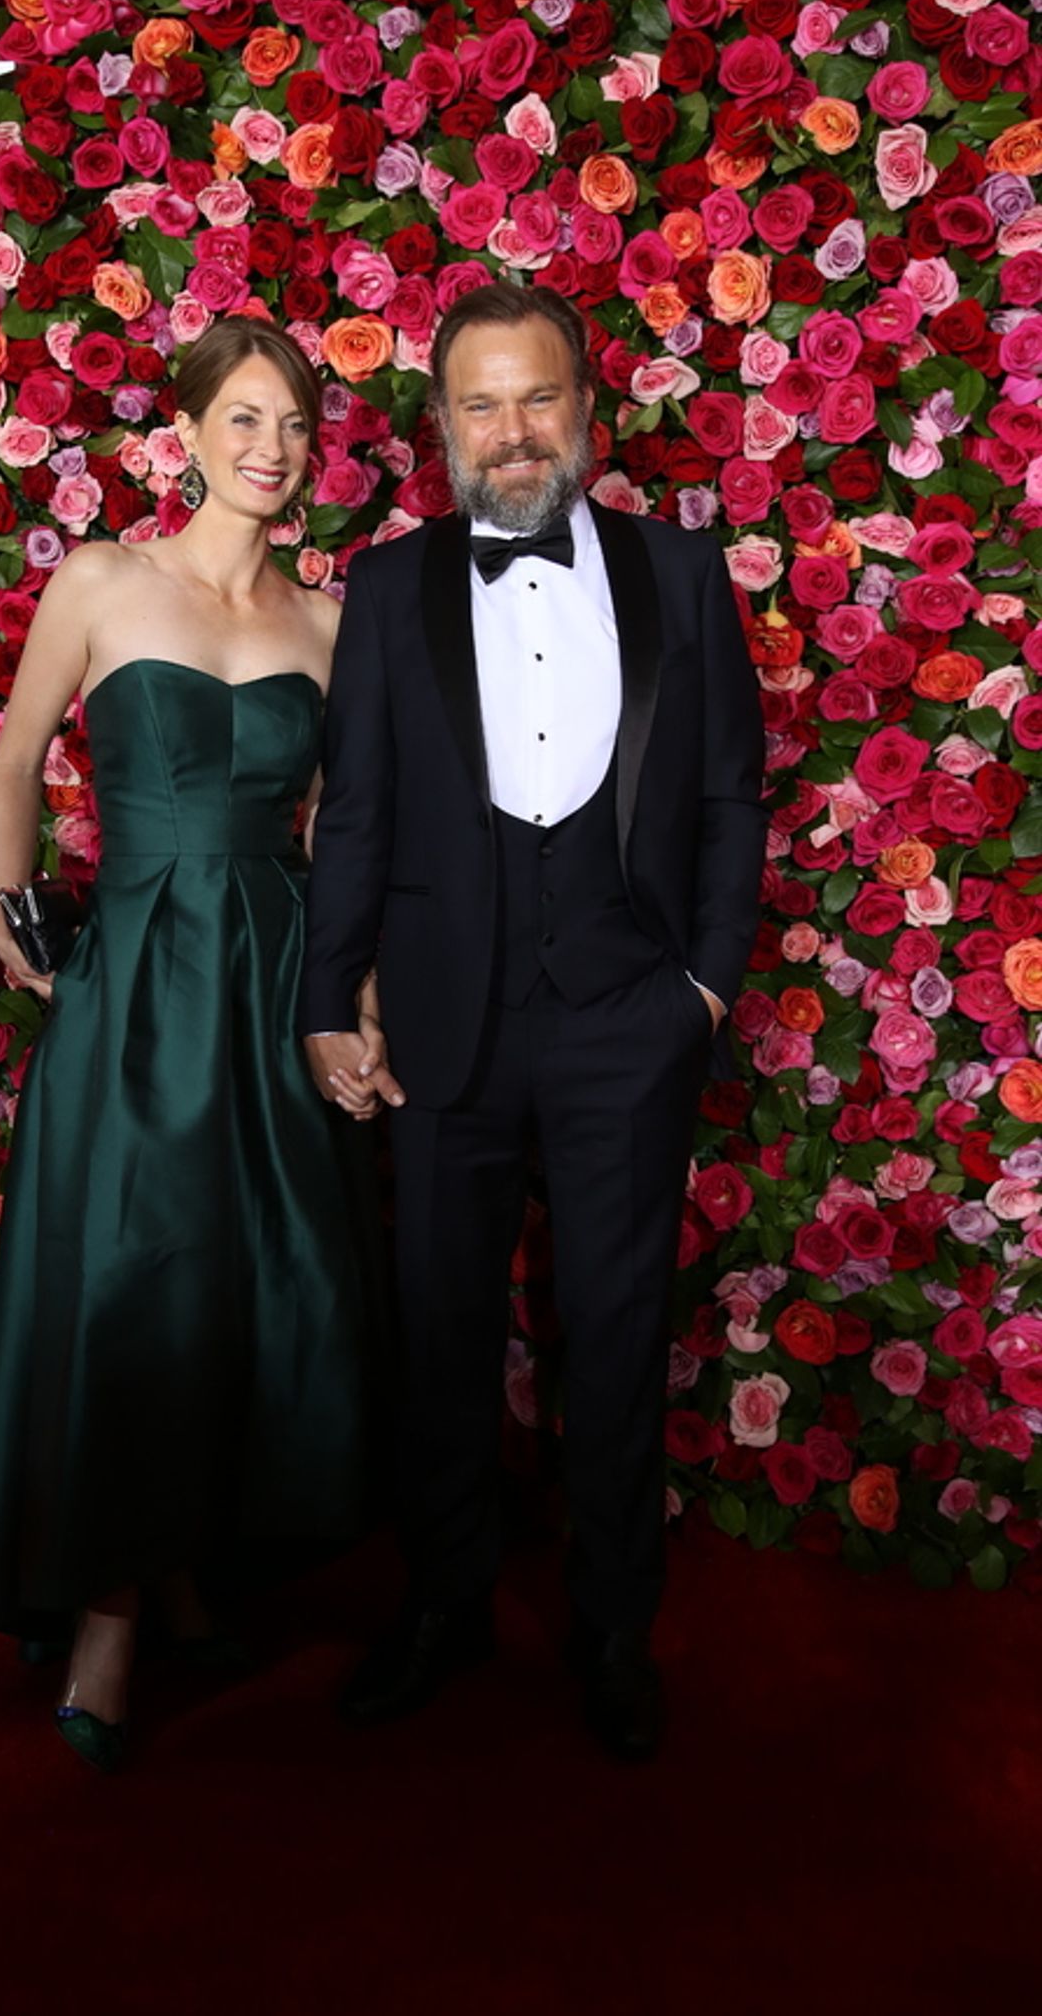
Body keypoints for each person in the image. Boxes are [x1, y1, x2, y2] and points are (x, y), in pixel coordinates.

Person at [300, 281, 766, 1761]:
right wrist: (329, 998)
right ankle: (443, 1606)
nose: (514, 432)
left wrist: (700, 988)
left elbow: (730, 798)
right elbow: (359, 811)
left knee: (619, 1334)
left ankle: (615, 1626)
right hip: (446, 1021)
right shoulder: (387, 588)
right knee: (441, 1333)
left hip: (631, 1017)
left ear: (589, 410)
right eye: (482, 404)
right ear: (440, 426)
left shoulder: (682, 575)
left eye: (539, 397)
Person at [0, 317, 383, 1773]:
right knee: (138, 1277)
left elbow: (335, 840)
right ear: (187, 433)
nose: (273, 451)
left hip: (268, 976)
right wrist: (23, 921)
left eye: (297, 428)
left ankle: (190, 1562)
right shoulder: (102, 580)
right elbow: (15, 761)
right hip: (131, 975)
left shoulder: (330, 625)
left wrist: (350, 993)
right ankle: (111, 1613)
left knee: (251, 1283)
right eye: (246, 421)